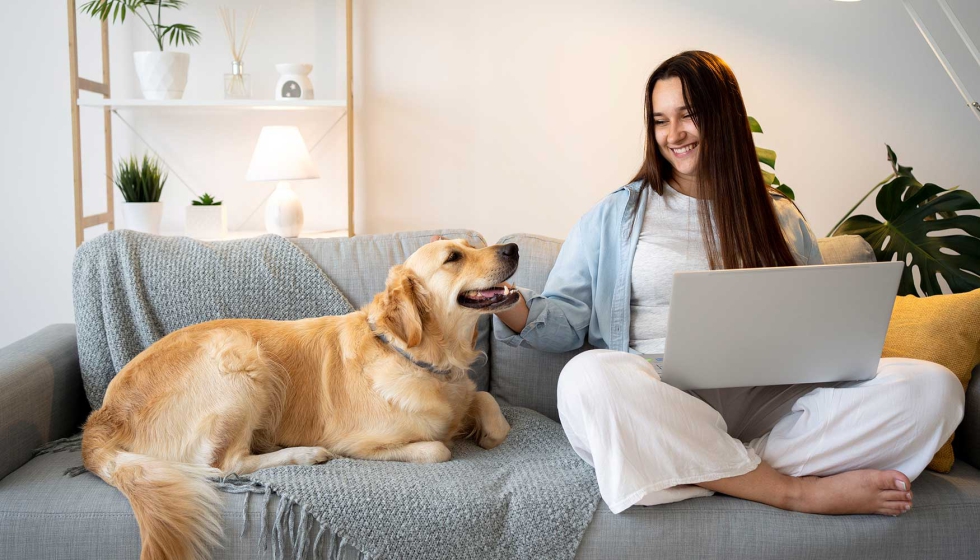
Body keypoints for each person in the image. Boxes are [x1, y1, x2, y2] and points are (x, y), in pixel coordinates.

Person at [493, 50, 964, 516]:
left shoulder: (778, 215)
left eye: (688, 115)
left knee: (935, 388)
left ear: (724, 117)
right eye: (659, 120)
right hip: (660, 399)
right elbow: (563, 324)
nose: (673, 134)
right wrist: (501, 297)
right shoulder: (615, 215)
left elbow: (818, 325)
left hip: (769, 404)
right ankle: (790, 489)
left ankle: (697, 467)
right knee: (587, 378)